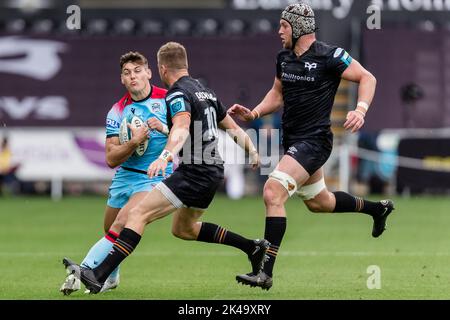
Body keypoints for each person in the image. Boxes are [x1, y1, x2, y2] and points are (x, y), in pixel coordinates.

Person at [62, 42, 269, 294]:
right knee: (184, 229)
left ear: (159, 69)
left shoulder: (176, 94)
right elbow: (233, 129)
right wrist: (254, 151)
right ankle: (252, 247)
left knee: (137, 215)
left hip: (193, 171)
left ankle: (97, 275)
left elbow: (181, 128)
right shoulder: (206, 91)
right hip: (213, 171)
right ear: (186, 65)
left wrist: (166, 155)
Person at [228, 2, 395, 290]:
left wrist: (361, 109)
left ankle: (265, 272)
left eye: (283, 25)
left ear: (298, 28)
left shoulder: (329, 55)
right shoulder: (283, 58)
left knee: (272, 192)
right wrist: (254, 113)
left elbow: (368, 77)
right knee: (321, 203)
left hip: (315, 141)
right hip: (294, 142)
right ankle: (377, 209)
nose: (278, 30)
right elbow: (277, 94)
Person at [60, 51, 173, 295]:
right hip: (125, 176)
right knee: (110, 230)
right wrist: (135, 142)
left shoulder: (168, 99)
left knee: (123, 222)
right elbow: (111, 159)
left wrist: (164, 130)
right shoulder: (117, 111)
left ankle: (83, 270)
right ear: (122, 79)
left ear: (149, 72)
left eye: (138, 70)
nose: (133, 76)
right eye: (126, 73)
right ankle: (112, 277)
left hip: (154, 176)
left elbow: (185, 133)